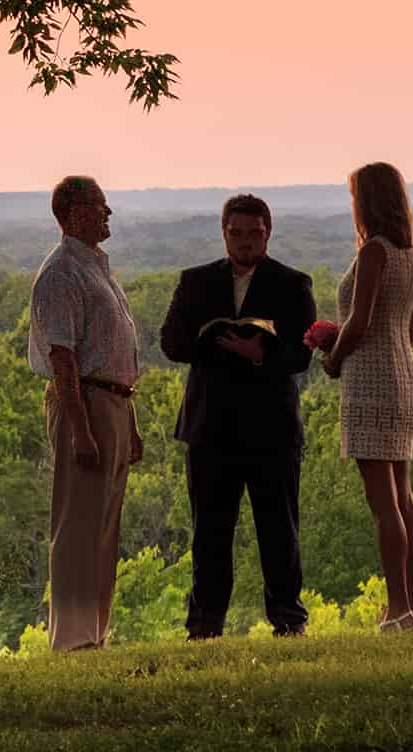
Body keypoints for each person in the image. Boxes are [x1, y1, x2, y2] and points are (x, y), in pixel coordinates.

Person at [156, 192, 317, 639]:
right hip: (211, 427)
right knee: (209, 534)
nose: (245, 241)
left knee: (279, 531)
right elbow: (171, 343)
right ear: (224, 232)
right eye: (237, 233)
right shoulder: (195, 282)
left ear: (269, 232)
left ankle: (289, 620)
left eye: (254, 233)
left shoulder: (292, 283)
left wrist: (258, 352)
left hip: (272, 430)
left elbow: (302, 355)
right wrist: (213, 341)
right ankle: (205, 627)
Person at [25, 174, 143, 650]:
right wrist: (81, 431)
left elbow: (113, 352)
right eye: (100, 205)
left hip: (112, 403)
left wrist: (129, 425)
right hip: (85, 405)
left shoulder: (96, 267)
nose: (108, 212)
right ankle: (72, 641)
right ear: (74, 213)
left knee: (104, 527)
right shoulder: (61, 274)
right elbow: (63, 359)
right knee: (77, 527)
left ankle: (95, 634)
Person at [323, 160, 413, 630]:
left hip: (370, 378)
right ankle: (409, 606)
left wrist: (333, 356)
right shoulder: (410, 253)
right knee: (404, 497)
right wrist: (394, 341)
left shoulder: (374, 254)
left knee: (383, 501)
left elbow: (360, 320)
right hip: (404, 373)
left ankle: (399, 608)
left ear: (365, 201)